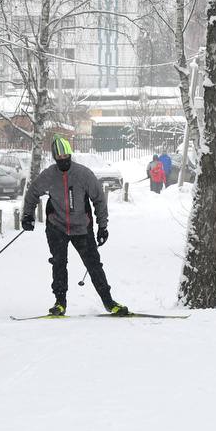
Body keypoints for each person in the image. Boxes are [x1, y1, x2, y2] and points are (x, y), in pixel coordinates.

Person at [21, 135, 128, 317]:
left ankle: (109, 302)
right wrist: (27, 215)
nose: (63, 161)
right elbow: (32, 193)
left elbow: (99, 200)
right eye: (59, 158)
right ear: (55, 158)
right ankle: (59, 303)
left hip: (82, 227)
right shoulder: (49, 175)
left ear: (70, 155)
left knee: (94, 265)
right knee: (59, 263)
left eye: (66, 157)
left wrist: (103, 226)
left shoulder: (83, 174)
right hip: (57, 227)